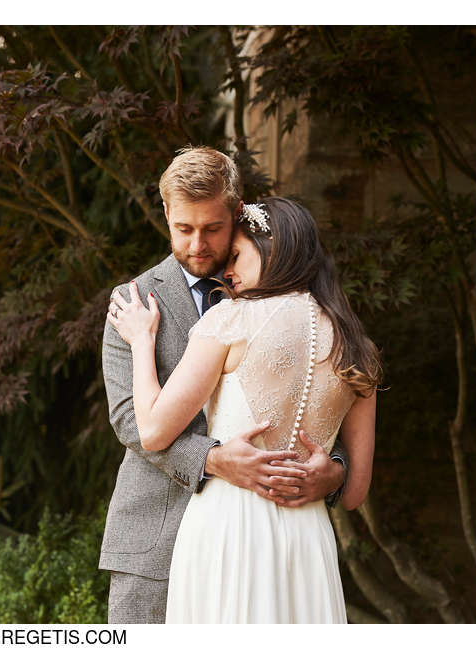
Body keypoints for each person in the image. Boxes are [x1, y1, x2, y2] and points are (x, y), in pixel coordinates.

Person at [99, 146, 351, 624]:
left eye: (213, 230)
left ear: (238, 213)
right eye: (184, 229)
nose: (198, 245)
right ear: (166, 213)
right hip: (153, 543)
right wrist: (215, 460)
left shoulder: (284, 293)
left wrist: (335, 470)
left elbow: (322, 400)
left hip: (260, 548)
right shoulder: (131, 303)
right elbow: (131, 420)